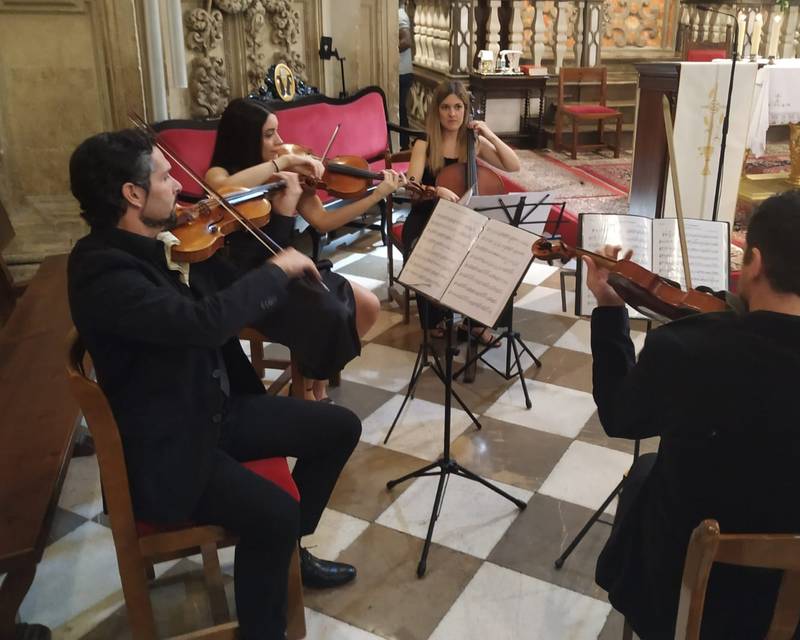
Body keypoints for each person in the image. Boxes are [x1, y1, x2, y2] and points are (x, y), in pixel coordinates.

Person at [583, 189, 800, 639]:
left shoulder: (684, 351)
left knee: (647, 473)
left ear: (756, 262)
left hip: (690, 602)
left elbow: (620, 418)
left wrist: (609, 308)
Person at [67, 129, 362, 640]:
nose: (178, 189)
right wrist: (277, 269)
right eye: (164, 178)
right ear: (132, 194)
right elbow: (203, 323)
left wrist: (285, 219)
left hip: (211, 408)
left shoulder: (162, 244)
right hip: (172, 445)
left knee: (338, 427)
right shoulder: (103, 272)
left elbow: (233, 288)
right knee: (274, 511)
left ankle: (289, 551)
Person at [206, 97, 405, 400]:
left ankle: (314, 381)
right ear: (245, 136)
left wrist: (376, 194)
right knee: (331, 314)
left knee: (367, 306)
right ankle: (307, 393)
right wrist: (282, 164)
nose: (281, 141)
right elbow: (225, 189)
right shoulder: (221, 174)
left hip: (292, 266)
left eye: (278, 132)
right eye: (269, 134)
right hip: (250, 278)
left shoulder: (290, 178)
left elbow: (324, 221)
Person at [404, 80, 521, 344]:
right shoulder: (424, 142)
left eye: (458, 107)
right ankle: (435, 319)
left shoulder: (473, 142)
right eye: (446, 107)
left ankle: (476, 322)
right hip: (428, 215)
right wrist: (436, 191)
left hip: (464, 218)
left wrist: (489, 134)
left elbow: (514, 166)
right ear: (437, 110)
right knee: (427, 248)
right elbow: (410, 186)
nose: (452, 114)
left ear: (466, 110)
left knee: (493, 251)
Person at [398, 5, 414, 149]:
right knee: (400, 109)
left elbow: (407, 41)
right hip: (401, 71)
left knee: (400, 109)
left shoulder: (399, 14)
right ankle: (403, 144)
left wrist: (390, 49)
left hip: (402, 72)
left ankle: (403, 145)